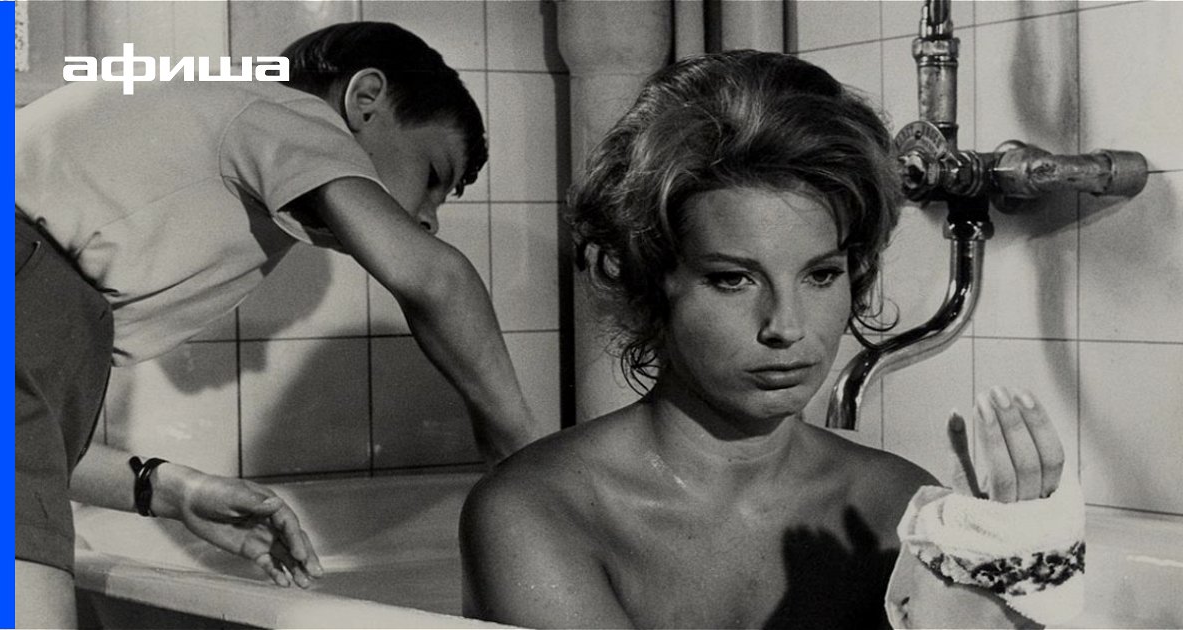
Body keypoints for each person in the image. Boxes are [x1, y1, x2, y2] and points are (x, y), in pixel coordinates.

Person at [460, 51, 1074, 629]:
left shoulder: (894, 506)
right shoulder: (536, 510)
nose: (785, 326)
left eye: (821, 275)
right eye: (733, 279)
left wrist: (1015, 585)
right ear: (648, 283)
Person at [16, 22, 540, 628]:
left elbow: (37, 441)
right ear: (366, 99)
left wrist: (169, 488)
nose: (428, 220)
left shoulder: (62, 262)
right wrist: (523, 452)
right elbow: (436, 279)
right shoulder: (285, 110)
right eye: (431, 176)